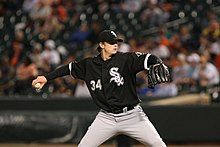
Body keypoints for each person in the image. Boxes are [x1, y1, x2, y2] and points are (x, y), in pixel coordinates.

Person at [32, 30, 169, 147]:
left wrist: (157, 62)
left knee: (158, 145)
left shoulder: (126, 59)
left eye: (116, 42)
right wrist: (46, 78)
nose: (115, 45)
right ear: (102, 45)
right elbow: (67, 68)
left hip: (132, 116)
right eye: (111, 42)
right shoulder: (89, 65)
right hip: (106, 118)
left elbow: (148, 57)